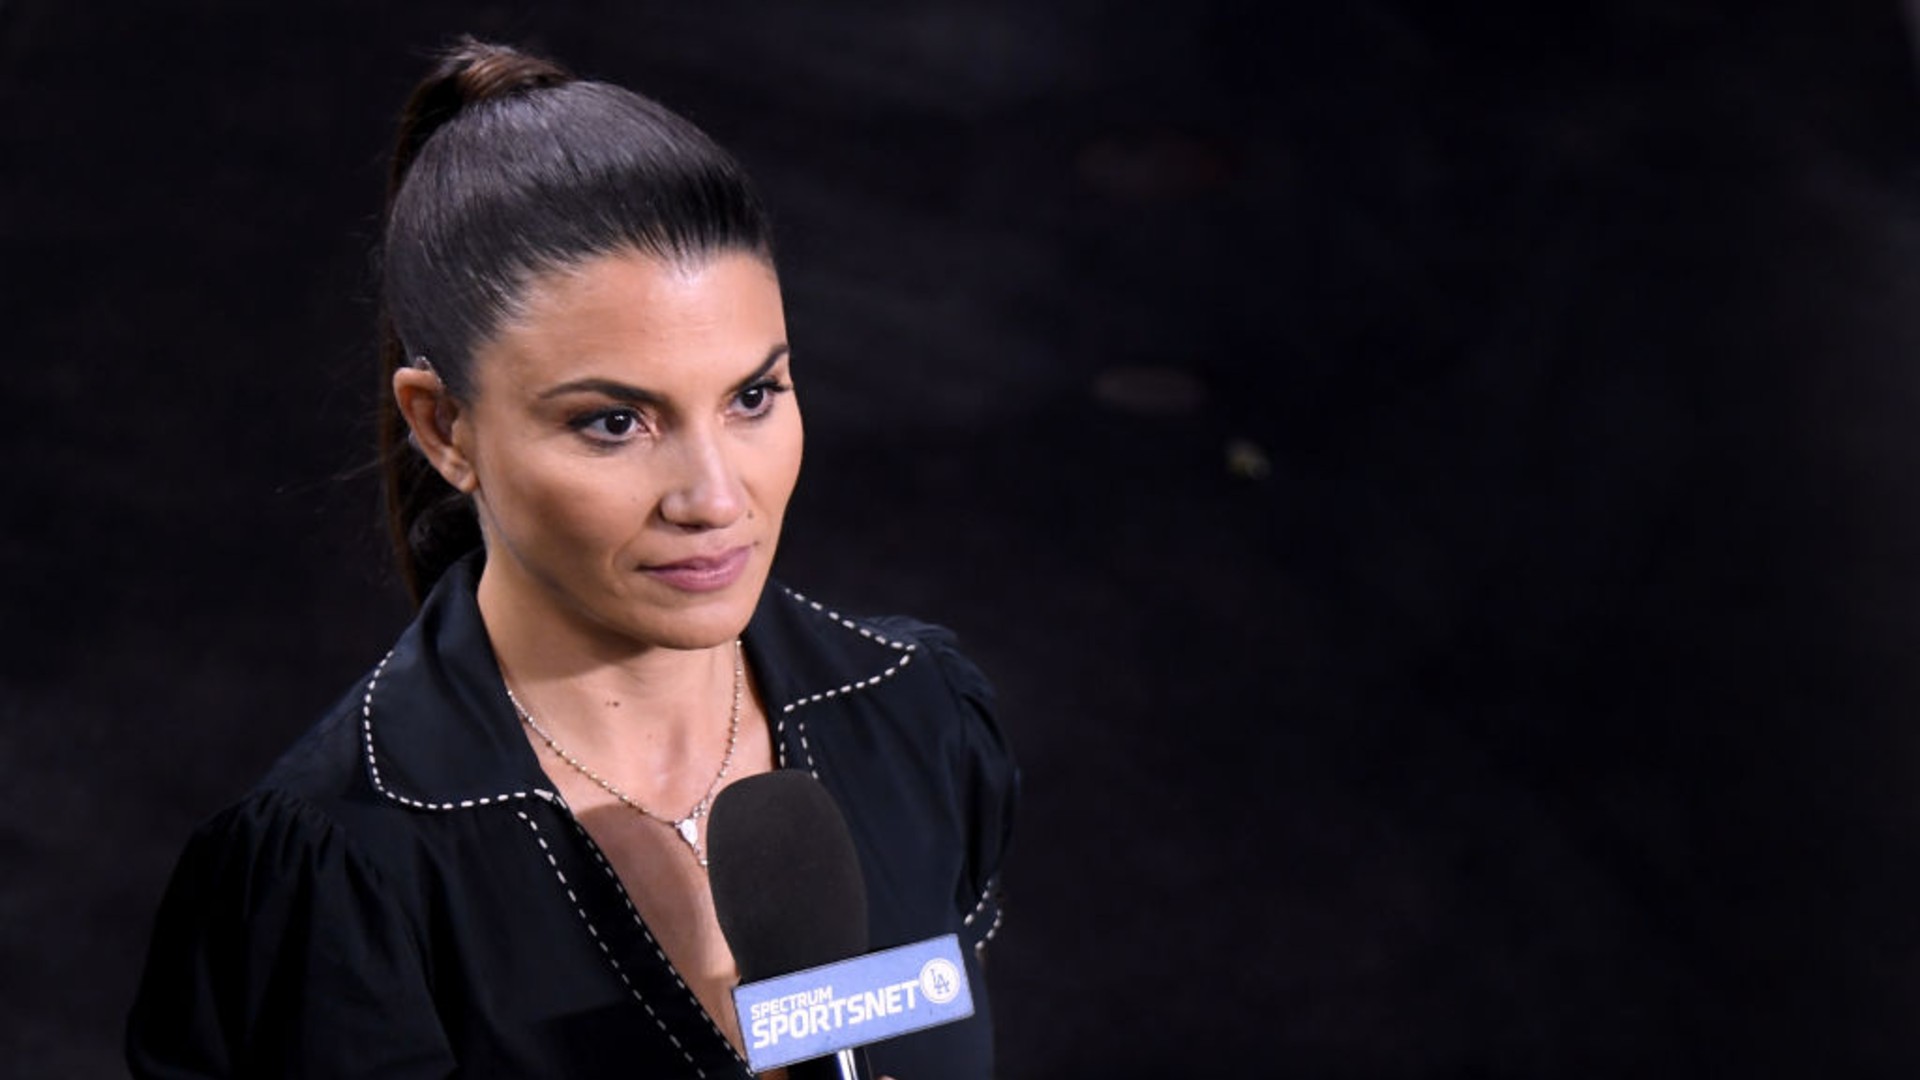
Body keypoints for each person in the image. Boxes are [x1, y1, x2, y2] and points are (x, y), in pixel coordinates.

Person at [126, 37, 1016, 1079]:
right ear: (445, 427)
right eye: (613, 423)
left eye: (752, 397)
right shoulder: (344, 869)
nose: (717, 498)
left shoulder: (915, 718)